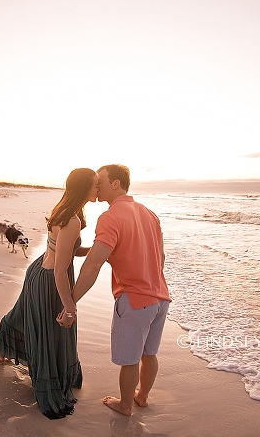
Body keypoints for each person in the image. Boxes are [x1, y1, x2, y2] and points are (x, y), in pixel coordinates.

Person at [0, 168, 97, 419]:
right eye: (94, 186)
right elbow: (61, 270)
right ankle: (36, 371)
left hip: (38, 271)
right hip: (49, 279)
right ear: (83, 188)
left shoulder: (65, 210)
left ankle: (0, 346)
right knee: (52, 331)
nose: (97, 190)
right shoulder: (72, 220)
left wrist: (101, 249)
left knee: (24, 315)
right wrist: (71, 308)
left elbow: (69, 250)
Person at [69, 164, 170, 416]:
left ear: (116, 183)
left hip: (134, 300)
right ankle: (142, 397)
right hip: (160, 297)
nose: (97, 185)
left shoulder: (110, 217)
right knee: (150, 353)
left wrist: (71, 302)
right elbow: (162, 257)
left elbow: (93, 265)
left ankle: (125, 405)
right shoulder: (149, 213)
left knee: (130, 359)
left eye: (101, 181)